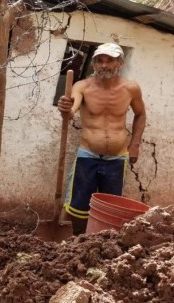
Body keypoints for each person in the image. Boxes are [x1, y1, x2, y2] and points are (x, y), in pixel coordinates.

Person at [57, 42, 146, 235]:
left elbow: (141, 114)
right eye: (100, 61)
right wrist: (66, 108)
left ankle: (103, 240)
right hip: (87, 155)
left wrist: (135, 144)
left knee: (110, 205)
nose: (104, 65)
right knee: (75, 203)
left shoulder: (131, 89)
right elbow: (71, 110)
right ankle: (66, 240)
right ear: (94, 64)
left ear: (120, 63)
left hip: (117, 158)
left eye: (110, 60)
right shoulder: (82, 86)